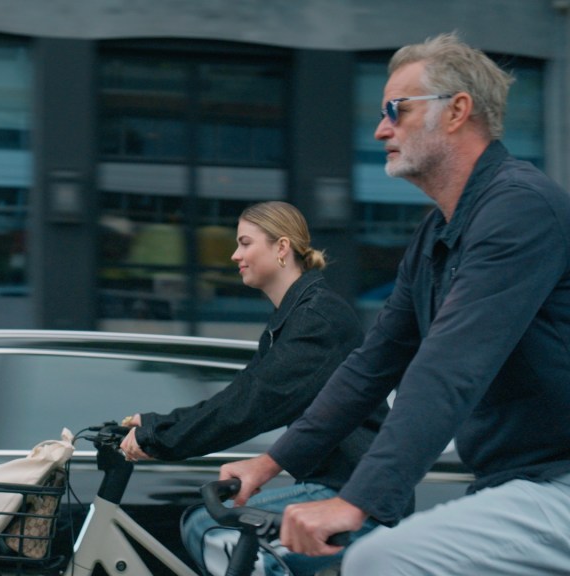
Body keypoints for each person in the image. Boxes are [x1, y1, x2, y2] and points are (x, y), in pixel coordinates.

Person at [219, 32, 570, 575]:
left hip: (557, 483)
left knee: (381, 558)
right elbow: (370, 366)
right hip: (517, 484)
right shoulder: (436, 235)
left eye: (396, 110)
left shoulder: (520, 210)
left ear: (457, 111)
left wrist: (356, 501)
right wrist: (270, 463)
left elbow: (448, 367)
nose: (381, 129)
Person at [119, 201, 388, 576]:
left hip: (354, 495)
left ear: (281, 247)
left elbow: (254, 403)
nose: (235, 255)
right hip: (337, 486)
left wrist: (159, 437)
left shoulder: (317, 319)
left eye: (245, 243)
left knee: (208, 528)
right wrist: (158, 424)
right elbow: (240, 393)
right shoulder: (292, 318)